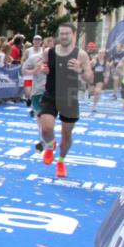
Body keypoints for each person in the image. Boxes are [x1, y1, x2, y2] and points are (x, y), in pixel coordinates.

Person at [38, 23, 94, 178]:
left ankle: (61, 161)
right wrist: (44, 70)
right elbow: (42, 68)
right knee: (46, 129)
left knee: (66, 133)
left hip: (70, 97)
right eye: (61, 34)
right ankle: (50, 145)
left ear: (73, 35)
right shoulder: (48, 52)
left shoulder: (81, 55)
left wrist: (80, 70)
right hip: (51, 94)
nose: (64, 36)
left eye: (67, 34)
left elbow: (90, 78)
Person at [22, 35, 44, 116]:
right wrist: (27, 66)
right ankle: (29, 100)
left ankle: (33, 109)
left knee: (35, 92)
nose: (37, 41)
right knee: (28, 93)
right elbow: (23, 60)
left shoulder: (43, 50)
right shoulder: (28, 50)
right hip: (29, 74)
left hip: (38, 75)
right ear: (33, 41)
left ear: (41, 41)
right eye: (35, 39)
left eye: (39, 39)